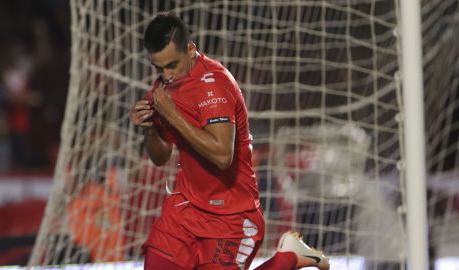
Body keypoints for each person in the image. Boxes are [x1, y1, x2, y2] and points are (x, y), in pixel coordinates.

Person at [129, 12, 330, 270]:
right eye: (159, 68)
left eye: (172, 65)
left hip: (232, 216)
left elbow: (223, 156)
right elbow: (160, 156)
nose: (166, 75)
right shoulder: (163, 91)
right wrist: (149, 129)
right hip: (184, 210)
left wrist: (174, 117)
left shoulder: (215, 84)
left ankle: (288, 258)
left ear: (191, 49)